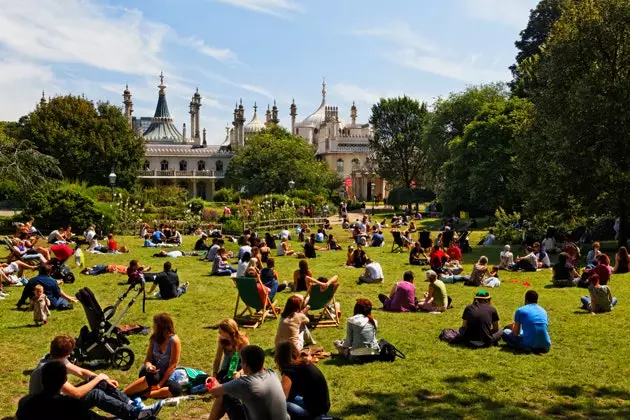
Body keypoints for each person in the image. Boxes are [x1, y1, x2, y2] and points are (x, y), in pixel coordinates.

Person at [27, 335, 163, 419]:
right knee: (96, 394)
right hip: (49, 412)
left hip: (57, 402)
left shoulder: (53, 358)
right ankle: (135, 414)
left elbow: (81, 372)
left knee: (98, 382)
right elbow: (76, 394)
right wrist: (99, 378)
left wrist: (103, 379)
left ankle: (131, 405)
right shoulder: (51, 370)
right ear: (68, 354)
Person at [207, 345, 289, 420]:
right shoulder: (272, 373)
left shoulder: (244, 383)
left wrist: (212, 380)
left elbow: (214, 390)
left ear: (245, 365)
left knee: (225, 395)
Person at [124, 313, 182, 399]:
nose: (153, 326)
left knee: (176, 389)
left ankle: (144, 393)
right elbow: (148, 359)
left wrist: (160, 384)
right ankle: (123, 393)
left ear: (161, 327)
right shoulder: (154, 338)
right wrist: (149, 366)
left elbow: (172, 366)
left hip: (164, 375)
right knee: (152, 377)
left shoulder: (174, 341)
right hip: (150, 374)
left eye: (154, 324)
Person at [275, 341, 331, 420]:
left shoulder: (289, 371)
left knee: (279, 405)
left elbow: (282, 399)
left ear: (279, 357)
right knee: (292, 396)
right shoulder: (302, 363)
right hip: (323, 406)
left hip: (314, 412)